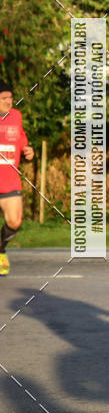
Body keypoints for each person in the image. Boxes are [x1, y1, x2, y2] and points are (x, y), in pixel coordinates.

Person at [0, 81, 34, 276]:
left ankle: (0, 249)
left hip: (9, 180)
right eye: (3, 98)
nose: (8, 102)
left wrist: (27, 149)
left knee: (15, 222)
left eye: (10, 98)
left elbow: (21, 139)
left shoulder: (16, 117)